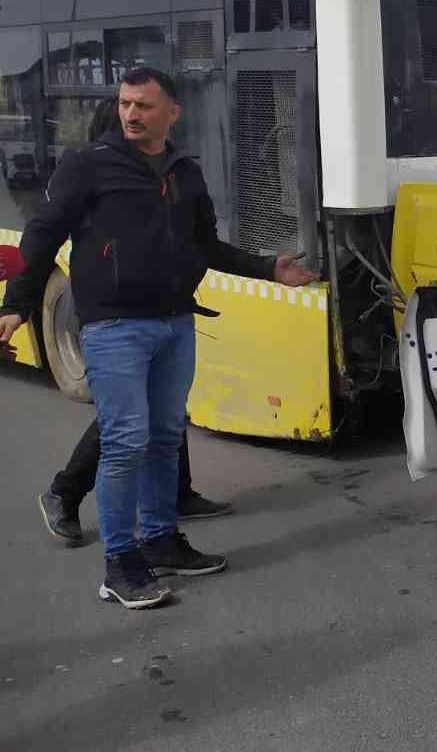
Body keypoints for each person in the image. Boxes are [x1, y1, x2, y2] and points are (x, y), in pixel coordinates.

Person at [0, 67, 317, 610]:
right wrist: (16, 306)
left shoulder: (184, 172)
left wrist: (269, 269)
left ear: (173, 111)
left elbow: (207, 247)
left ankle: (160, 540)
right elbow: (43, 235)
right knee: (125, 443)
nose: (130, 113)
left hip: (174, 322)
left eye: (144, 105)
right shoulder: (90, 166)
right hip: (114, 326)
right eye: (125, 103)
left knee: (165, 437)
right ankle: (120, 564)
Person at [36, 97, 232, 550]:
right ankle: (65, 494)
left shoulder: (170, 171)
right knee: (126, 426)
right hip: (121, 320)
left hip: (168, 311)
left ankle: (174, 497)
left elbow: (199, 242)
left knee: (164, 417)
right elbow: (47, 236)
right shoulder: (104, 177)